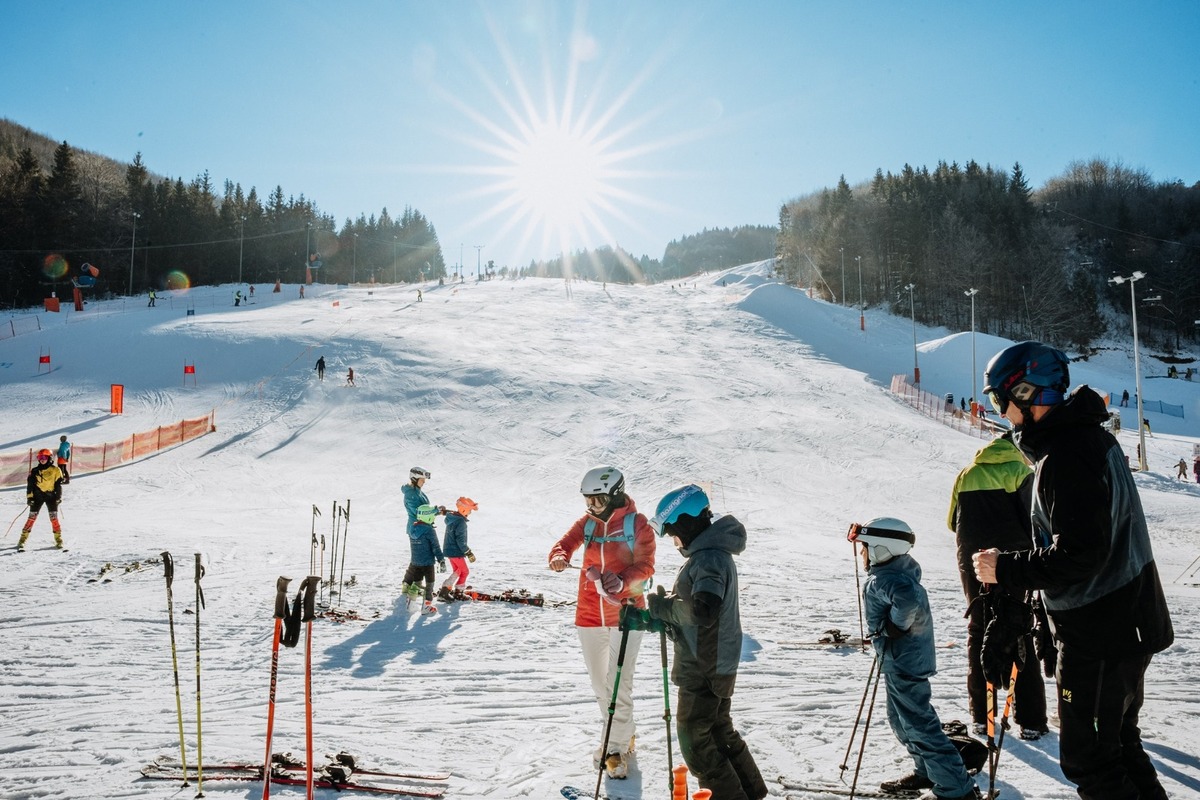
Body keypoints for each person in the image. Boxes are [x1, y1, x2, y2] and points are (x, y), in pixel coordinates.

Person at [972, 341, 1173, 800]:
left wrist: (1004, 568)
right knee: (1118, 746)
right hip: (1119, 623)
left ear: (1025, 393)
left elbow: (1081, 554)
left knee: (1090, 761)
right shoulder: (1083, 440)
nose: (999, 412)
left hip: (1102, 630)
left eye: (999, 400)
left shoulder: (1068, 452)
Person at [635, 485, 767, 800]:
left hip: (704, 666)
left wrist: (662, 607)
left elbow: (703, 610)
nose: (672, 540)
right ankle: (751, 793)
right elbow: (700, 610)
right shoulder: (711, 554)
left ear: (685, 522)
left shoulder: (708, 557)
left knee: (695, 740)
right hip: (713, 660)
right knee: (719, 731)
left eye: (672, 532)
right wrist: (662, 613)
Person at [851, 518, 981, 800]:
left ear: (880, 549)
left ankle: (956, 789)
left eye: (864, 548)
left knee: (918, 725)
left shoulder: (888, 579)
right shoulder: (892, 574)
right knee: (900, 720)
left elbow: (908, 601)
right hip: (899, 659)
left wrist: (894, 626)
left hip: (904, 660)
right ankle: (928, 771)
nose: (861, 554)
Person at [548, 466, 656, 779]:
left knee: (618, 685)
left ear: (613, 494)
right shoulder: (589, 523)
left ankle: (615, 750)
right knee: (600, 685)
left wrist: (623, 582)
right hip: (589, 614)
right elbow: (564, 543)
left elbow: (646, 566)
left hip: (627, 614)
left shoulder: (638, 525)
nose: (590, 507)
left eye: (595, 500)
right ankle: (624, 734)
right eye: (588, 500)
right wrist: (559, 556)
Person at [948, 432, 1047, 740]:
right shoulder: (1020, 471)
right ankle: (1030, 720)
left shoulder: (967, 473)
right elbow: (1037, 519)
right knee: (1019, 629)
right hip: (1013, 563)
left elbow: (953, 521)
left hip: (973, 563)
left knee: (978, 631)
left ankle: (981, 716)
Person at [19, 449, 65, 552]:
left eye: (44, 457)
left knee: (54, 518)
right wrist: (29, 497)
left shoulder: (56, 470)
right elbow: (30, 485)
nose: (42, 460)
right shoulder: (35, 471)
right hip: (37, 496)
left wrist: (58, 497)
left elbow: (58, 485)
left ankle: (58, 540)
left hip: (51, 496)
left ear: (49, 458)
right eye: (40, 458)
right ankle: (22, 539)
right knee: (32, 517)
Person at [402, 503, 445, 614]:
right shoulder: (429, 530)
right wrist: (441, 559)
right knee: (430, 584)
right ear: (428, 517)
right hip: (427, 563)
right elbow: (435, 547)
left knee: (416, 583)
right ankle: (426, 607)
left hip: (416, 562)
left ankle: (411, 604)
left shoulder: (412, 528)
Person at [438, 497, 478, 599]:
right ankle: (449, 590)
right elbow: (461, 541)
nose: (470, 513)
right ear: (464, 510)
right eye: (469, 510)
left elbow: (448, 512)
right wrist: (469, 553)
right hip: (456, 551)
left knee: (458, 571)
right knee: (465, 571)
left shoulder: (453, 518)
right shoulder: (461, 522)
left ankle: (451, 591)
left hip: (449, 550)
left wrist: (444, 511)